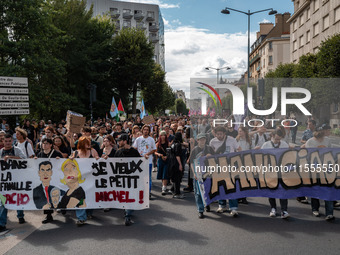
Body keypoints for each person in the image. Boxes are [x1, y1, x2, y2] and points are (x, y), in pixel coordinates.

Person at [209, 126, 241, 216]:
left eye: (221, 134)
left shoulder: (231, 140)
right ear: (215, 134)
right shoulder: (212, 141)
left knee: (232, 187)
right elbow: (210, 153)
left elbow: (239, 149)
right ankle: (222, 205)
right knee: (220, 187)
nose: (219, 136)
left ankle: (233, 208)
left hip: (231, 167)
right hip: (218, 168)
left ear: (224, 133)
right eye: (217, 134)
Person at [304, 127, 334, 221]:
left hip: (326, 168)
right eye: (319, 138)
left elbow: (331, 152)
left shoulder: (327, 141)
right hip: (315, 169)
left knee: (327, 190)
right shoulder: (310, 142)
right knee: (316, 189)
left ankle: (329, 213)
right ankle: (315, 209)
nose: (321, 140)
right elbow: (308, 155)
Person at [69, 137, 99, 225]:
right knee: (80, 198)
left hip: (90, 179)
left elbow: (97, 158)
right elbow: (71, 160)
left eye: (89, 143)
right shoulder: (76, 153)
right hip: (79, 179)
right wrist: (71, 159)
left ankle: (89, 213)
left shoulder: (92, 151)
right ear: (82, 144)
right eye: (87, 143)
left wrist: (98, 158)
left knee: (89, 197)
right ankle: (81, 217)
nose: (89, 144)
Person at [0, 134, 27, 231]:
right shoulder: (1, 151)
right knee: (3, 202)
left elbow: (24, 160)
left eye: (9, 141)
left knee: (18, 198)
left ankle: (20, 216)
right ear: (3, 141)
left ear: (12, 141)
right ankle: (2, 223)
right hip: (5, 182)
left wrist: (10, 157)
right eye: (5, 141)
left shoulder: (17, 150)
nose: (7, 143)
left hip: (17, 179)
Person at [261, 129, 290, 219]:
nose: (278, 141)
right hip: (270, 171)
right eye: (276, 139)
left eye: (279, 139)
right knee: (272, 191)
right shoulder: (266, 145)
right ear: (272, 136)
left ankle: (284, 210)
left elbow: (288, 156)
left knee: (283, 191)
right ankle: (273, 208)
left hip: (281, 171)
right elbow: (262, 157)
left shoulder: (284, 144)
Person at [114, 134, 141, 226]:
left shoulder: (134, 152)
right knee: (125, 196)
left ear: (125, 141)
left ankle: (127, 215)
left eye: (120, 140)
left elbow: (139, 164)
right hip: (121, 179)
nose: (118, 142)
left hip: (131, 179)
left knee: (129, 196)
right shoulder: (118, 152)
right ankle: (127, 212)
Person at [189, 133, 214, 219]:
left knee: (208, 190)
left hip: (208, 173)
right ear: (197, 140)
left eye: (204, 139)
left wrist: (210, 157)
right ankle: (200, 210)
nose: (202, 141)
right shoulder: (194, 150)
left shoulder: (209, 148)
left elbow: (215, 160)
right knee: (198, 192)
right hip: (198, 173)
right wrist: (194, 173)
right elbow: (191, 162)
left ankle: (207, 204)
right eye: (201, 139)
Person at [58, 159, 87, 225]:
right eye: (66, 169)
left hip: (79, 195)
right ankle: (86, 215)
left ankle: (81, 218)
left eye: (73, 168)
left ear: (78, 172)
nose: (70, 171)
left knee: (81, 204)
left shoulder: (79, 191)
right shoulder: (68, 190)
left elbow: (69, 205)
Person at [133, 125, 156, 197]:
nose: (145, 131)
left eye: (147, 130)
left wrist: (147, 154)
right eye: (144, 130)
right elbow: (134, 148)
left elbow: (154, 149)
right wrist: (138, 154)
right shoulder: (138, 139)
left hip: (148, 161)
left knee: (148, 178)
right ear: (142, 130)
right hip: (139, 162)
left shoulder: (151, 139)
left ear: (149, 131)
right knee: (140, 177)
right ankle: (141, 191)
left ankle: (148, 192)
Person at [169, 132, 185, 199]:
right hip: (176, 162)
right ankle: (177, 193)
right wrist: (180, 164)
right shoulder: (178, 145)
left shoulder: (172, 144)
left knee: (175, 177)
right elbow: (177, 155)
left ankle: (172, 189)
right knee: (178, 178)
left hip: (172, 162)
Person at [154, 131, 170, 195]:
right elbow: (155, 152)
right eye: (162, 135)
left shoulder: (168, 143)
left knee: (165, 173)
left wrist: (167, 156)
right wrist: (159, 155)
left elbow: (170, 152)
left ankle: (164, 188)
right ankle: (164, 185)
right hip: (160, 159)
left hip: (167, 160)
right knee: (161, 173)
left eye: (164, 135)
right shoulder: (158, 144)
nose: (163, 136)